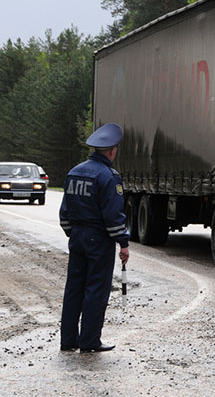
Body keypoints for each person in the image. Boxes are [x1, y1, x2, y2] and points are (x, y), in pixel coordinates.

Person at [59, 123, 130, 353]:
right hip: (98, 240)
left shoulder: (74, 171)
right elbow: (113, 215)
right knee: (96, 290)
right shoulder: (109, 177)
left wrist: (75, 233)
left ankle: (68, 340)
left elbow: (64, 213)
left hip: (77, 237)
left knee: (74, 289)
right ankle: (89, 341)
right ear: (111, 151)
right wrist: (123, 242)